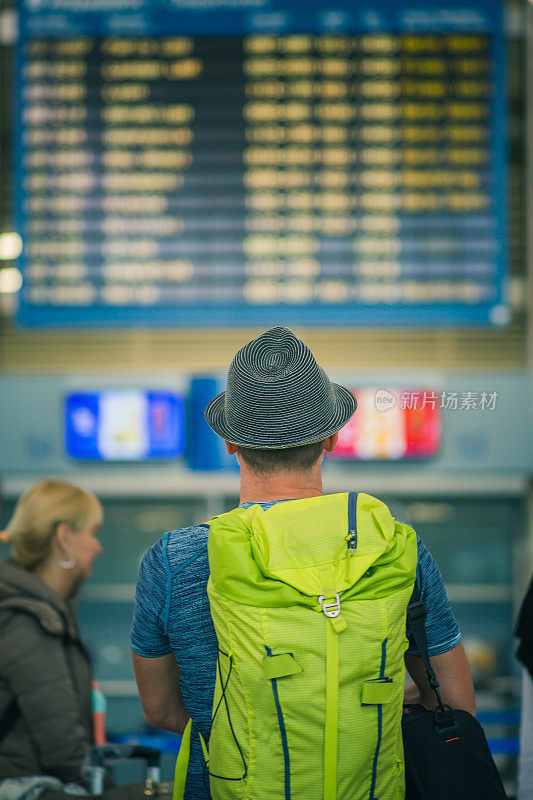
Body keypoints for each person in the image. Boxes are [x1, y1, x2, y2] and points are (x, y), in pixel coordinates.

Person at [131, 326, 475, 800]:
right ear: (332, 437)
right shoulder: (394, 546)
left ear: (230, 443)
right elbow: (455, 704)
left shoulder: (174, 559)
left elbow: (161, 711)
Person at [0, 479, 110, 800]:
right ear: (64, 538)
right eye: (93, 533)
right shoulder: (28, 622)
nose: (98, 547)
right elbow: (61, 747)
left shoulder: (33, 610)